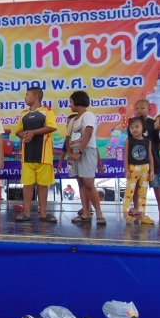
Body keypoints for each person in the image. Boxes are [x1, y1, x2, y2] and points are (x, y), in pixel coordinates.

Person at [14, 87, 57, 223]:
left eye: (27, 94)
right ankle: (26, 213)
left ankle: (43, 213)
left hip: (44, 156)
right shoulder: (23, 113)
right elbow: (17, 130)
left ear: (36, 96)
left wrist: (33, 132)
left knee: (43, 185)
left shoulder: (47, 111)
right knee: (27, 184)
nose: (25, 97)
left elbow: (51, 127)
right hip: (27, 155)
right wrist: (24, 134)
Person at [67, 90, 106, 225]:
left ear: (78, 102)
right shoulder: (72, 120)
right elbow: (68, 138)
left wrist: (80, 152)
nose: (70, 105)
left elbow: (88, 134)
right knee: (81, 182)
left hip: (86, 151)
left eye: (71, 102)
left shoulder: (88, 115)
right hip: (74, 153)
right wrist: (70, 154)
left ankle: (99, 214)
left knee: (88, 183)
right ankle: (86, 213)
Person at [130, 99, 160, 219]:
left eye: (142, 108)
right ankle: (136, 207)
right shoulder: (132, 123)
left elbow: (159, 141)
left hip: (152, 161)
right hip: (137, 161)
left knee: (156, 183)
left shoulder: (153, 124)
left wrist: (159, 145)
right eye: (137, 108)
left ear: (149, 110)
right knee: (136, 185)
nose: (139, 110)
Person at [122, 117, 155, 225]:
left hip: (145, 169)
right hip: (133, 168)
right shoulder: (128, 141)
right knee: (129, 191)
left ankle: (142, 215)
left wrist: (152, 170)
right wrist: (126, 170)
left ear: (143, 127)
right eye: (131, 127)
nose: (134, 129)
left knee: (143, 192)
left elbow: (150, 156)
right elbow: (126, 156)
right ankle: (126, 214)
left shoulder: (147, 141)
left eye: (137, 127)